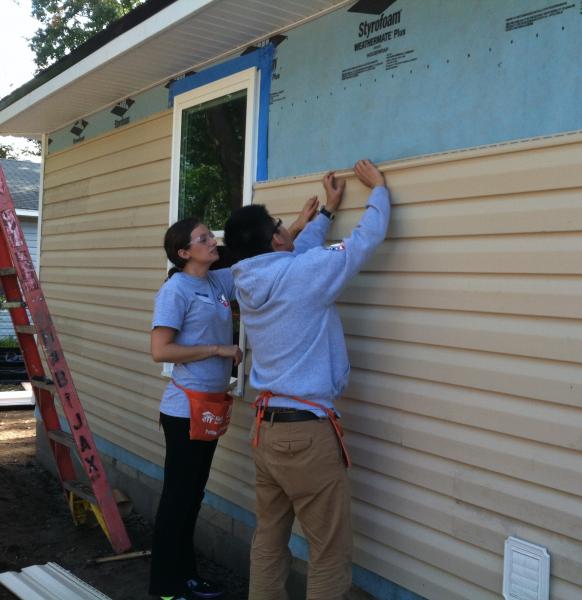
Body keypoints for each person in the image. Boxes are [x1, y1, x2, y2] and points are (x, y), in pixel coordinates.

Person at [224, 159, 390, 600]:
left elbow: (299, 260)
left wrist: (325, 215)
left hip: (267, 434)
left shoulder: (248, 279)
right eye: (280, 225)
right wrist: (378, 191)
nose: (285, 229)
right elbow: (362, 243)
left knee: (269, 541)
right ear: (277, 237)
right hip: (307, 436)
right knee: (329, 552)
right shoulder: (300, 274)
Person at [148, 204, 319, 600]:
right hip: (182, 411)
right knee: (178, 497)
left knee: (192, 496)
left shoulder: (215, 282)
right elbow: (160, 350)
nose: (213, 242)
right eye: (204, 239)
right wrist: (219, 349)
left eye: (212, 235)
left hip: (207, 407)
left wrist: (297, 226)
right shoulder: (176, 290)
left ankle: (187, 578)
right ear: (183, 253)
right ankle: (165, 587)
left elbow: (264, 257)